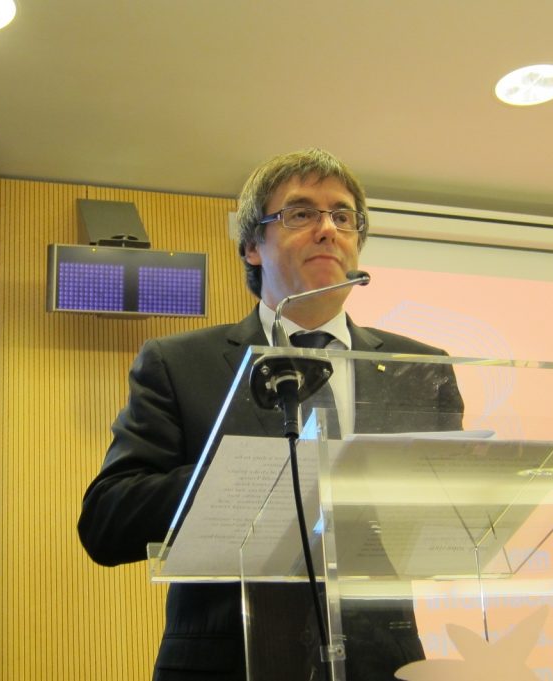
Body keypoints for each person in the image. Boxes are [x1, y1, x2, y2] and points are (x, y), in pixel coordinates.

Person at [78, 148, 464, 680]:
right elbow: (107, 523)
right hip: (226, 663)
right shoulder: (178, 363)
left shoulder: (419, 367)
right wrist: (251, 477)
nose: (327, 229)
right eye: (301, 213)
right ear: (251, 245)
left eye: (343, 216)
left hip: (380, 663)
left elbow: (449, 519)